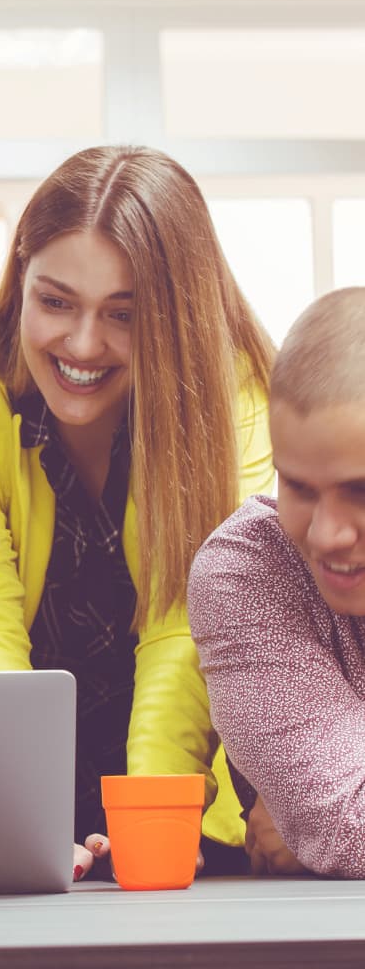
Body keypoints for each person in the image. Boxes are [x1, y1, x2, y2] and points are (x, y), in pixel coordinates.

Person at [0, 145, 275, 871]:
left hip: (179, 802)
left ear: (177, 317)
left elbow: (189, 623)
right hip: (19, 784)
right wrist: (20, 814)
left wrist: (154, 819)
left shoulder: (235, 393)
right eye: (56, 301)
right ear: (22, 276)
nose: (80, 344)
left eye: (123, 314)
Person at [189, 287, 365, 878]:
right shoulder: (247, 569)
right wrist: (316, 821)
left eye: (360, 491)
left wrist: (311, 825)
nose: (326, 535)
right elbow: (343, 821)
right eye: (300, 487)